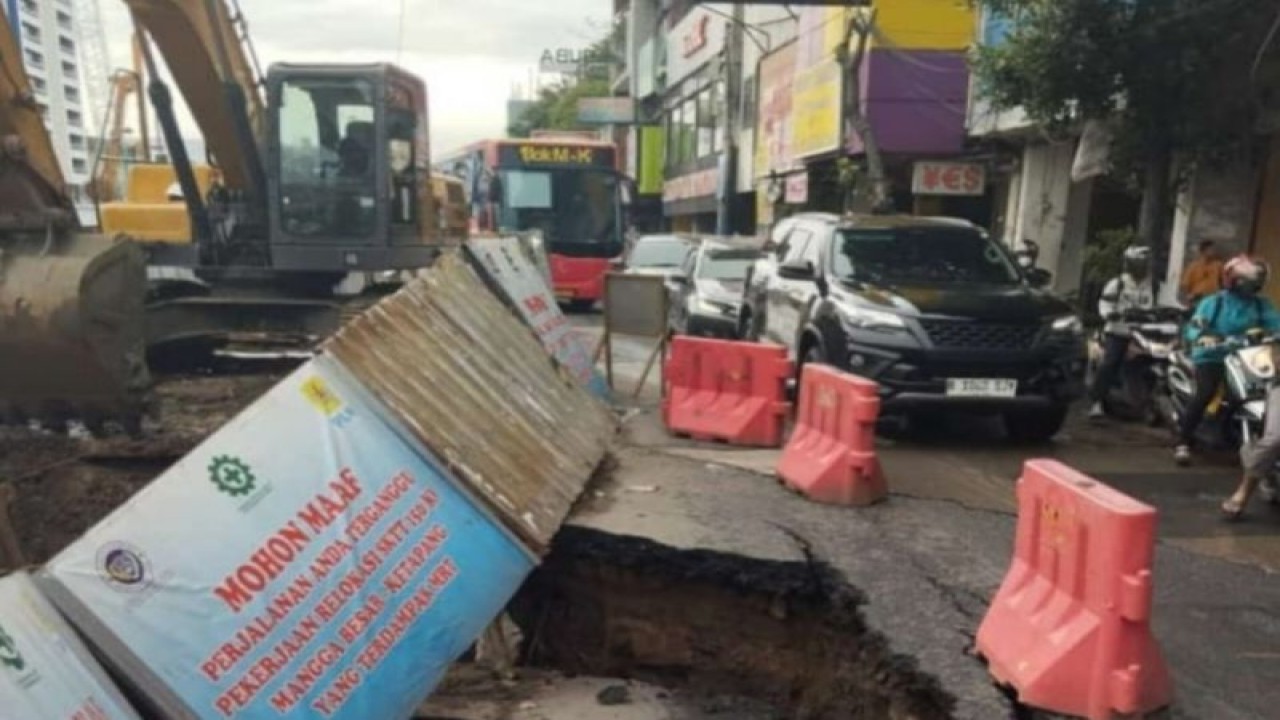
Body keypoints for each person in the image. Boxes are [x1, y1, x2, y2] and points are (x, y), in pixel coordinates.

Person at [1176, 255, 1280, 465]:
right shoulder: (1214, 302)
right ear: (1235, 281)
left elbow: (1276, 324)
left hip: (1248, 356)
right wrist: (1203, 337)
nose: (1253, 288)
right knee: (1206, 392)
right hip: (1213, 356)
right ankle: (1183, 442)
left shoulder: (1261, 305)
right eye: (1249, 283)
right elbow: (1194, 327)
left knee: (1265, 391)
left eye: (1256, 284)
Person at [1089, 246, 1156, 420]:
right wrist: (1109, 314)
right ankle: (1096, 403)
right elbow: (1105, 304)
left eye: (1144, 263)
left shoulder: (1155, 285)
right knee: (1109, 364)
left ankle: (1149, 405)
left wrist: (1184, 311)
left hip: (1145, 334)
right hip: (1118, 332)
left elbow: (1170, 302)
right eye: (1138, 263)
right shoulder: (1117, 284)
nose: (1141, 267)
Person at [1180, 239, 1224, 307]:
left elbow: (1224, 281)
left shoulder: (1218, 265)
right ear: (1204, 251)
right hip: (1197, 298)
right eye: (1211, 250)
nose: (1214, 252)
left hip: (1212, 298)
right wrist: (1187, 299)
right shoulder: (1193, 266)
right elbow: (1185, 285)